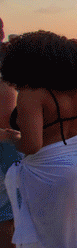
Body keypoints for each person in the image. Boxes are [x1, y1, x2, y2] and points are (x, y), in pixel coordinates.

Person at [1, 31, 77, 248]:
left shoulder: (31, 94)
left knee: (54, 236)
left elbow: (32, 146)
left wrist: (9, 136)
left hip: (51, 168)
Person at [0, 18, 21, 248]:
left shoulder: (6, 57)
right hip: (7, 144)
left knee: (12, 213)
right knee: (8, 216)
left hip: (9, 144)